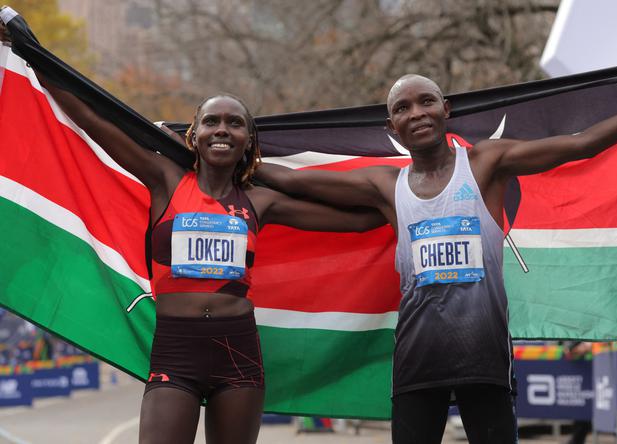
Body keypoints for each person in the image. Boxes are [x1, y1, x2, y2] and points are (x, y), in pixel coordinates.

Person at [0, 10, 386, 444]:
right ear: (194, 135)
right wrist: (31, 53)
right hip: (175, 350)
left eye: (235, 123)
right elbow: (94, 121)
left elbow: (356, 222)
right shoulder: (164, 179)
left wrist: (403, 203)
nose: (222, 130)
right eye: (211, 122)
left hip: (237, 351)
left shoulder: (261, 200)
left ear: (248, 140)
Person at [254, 71, 617, 443]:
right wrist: (227, 158)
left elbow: (583, 144)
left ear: (446, 109)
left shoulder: (485, 164)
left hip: (485, 358)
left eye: (426, 101)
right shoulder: (387, 186)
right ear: (392, 125)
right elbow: (296, 184)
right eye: (403, 108)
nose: (416, 112)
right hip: (417, 361)